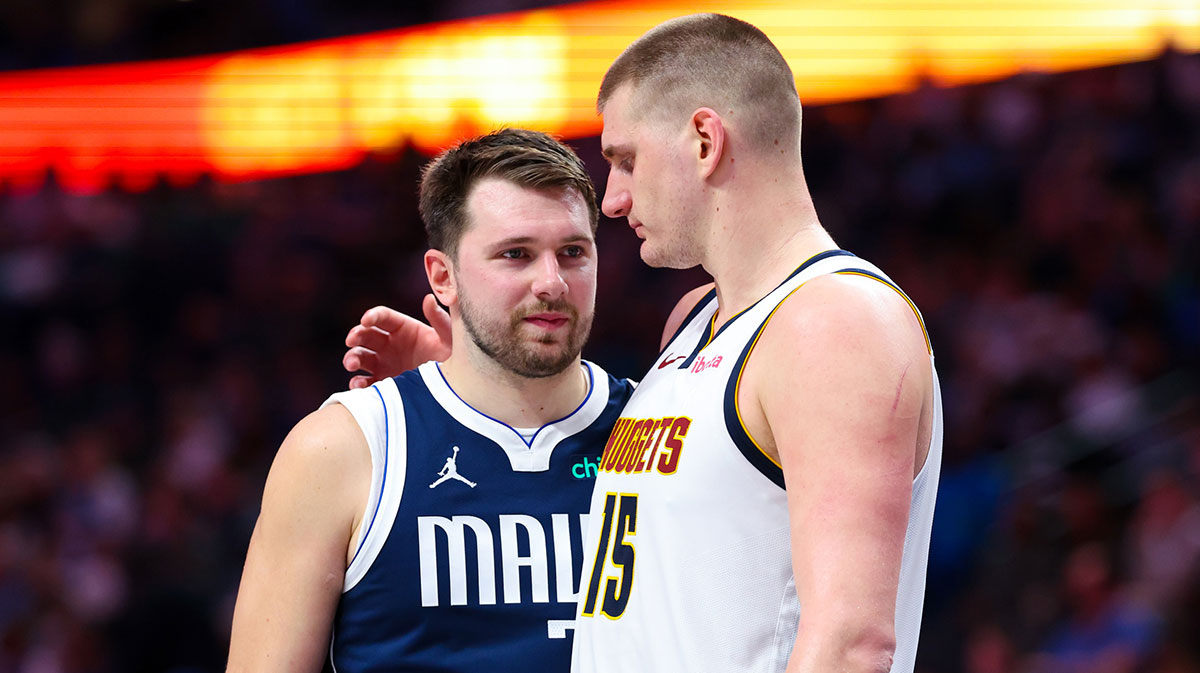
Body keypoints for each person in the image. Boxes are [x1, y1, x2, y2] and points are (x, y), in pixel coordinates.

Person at [345, 13, 942, 673]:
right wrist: (473, 382)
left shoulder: (834, 323)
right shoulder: (695, 320)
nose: (614, 199)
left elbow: (852, 645)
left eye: (626, 160)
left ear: (705, 141)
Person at [227, 128, 635, 673]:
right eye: (516, 254)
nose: (552, 282)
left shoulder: (657, 426)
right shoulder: (344, 449)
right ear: (443, 277)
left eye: (573, 252)